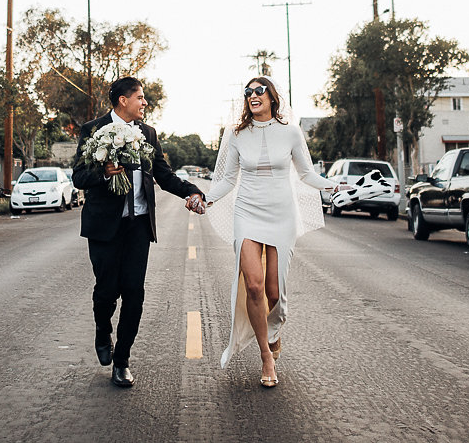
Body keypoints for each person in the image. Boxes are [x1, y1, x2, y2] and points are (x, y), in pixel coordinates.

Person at [71, 77, 206, 388]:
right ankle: (102, 328)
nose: (145, 103)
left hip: (138, 225)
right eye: (140, 98)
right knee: (106, 291)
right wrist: (103, 173)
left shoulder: (147, 133)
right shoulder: (93, 129)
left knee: (134, 292)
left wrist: (191, 191)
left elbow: (163, 173)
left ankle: (122, 361)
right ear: (123, 100)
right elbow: (78, 176)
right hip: (105, 226)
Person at [202, 76, 334, 388]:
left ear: (272, 97)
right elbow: (226, 179)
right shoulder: (235, 134)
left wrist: (333, 185)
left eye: (259, 90)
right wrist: (204, 198)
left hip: (282, 215)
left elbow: (306, 174)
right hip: (247, 213)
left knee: (274, 292)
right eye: (248, 92)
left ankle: (273, 330)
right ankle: (265, 355)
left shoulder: (290, 132)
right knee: (253, 286)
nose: (252, 95)